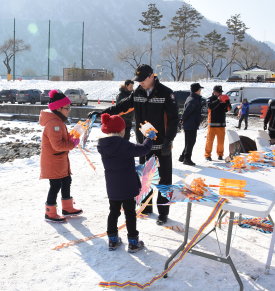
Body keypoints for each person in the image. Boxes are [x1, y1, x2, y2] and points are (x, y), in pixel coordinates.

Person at [88, 64, 179, 225]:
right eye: (138, 80)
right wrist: (102, 113)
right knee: (145, 178)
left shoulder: (166, 93)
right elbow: (121, 106)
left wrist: (169, 140)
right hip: (144, 145)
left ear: (152, 76)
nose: (140, 83)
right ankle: (146, 207)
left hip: (162, 146)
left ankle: (163, 213)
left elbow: (173, 120)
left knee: (164, 181)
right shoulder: (137, 92)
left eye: (143, 80)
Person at [97, 113, 154, 252]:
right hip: (127, 186)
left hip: (113, 186)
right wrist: (149, 138)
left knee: (113, 212)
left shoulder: (103, 145)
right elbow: (143, 150)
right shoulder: (123, 144)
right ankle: (133, 243)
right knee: (130, 213)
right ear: (121, 131)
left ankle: (112, 240)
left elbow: (117, 161)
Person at [39, 89, 83, 223]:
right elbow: (57, 145)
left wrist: (70, 137)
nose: (69, 110)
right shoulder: (54, 123)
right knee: (55, 185)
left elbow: (60, 140)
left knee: (66, 181)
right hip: (54, 161)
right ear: (58, 108)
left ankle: (67, 208)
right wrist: (72, 143)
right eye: (67, 108)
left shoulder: (58, 121)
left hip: (60, 160)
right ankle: (50, 213)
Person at [205, 85, 231, 161]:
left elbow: (228, 109)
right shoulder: (209, 99)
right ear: (214, 92)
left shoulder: (223, 99)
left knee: (221, 142)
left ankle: (220, 154)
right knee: (209, 141)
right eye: (218, 92)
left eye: (221, 92)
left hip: (221, 124)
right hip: (212, 124)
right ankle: (207, 155)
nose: (220, 94)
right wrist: (218, 100)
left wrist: (228, 103)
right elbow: (210, 107)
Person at [179, 83, 203, 166]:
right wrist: (182, 119)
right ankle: (187, 159)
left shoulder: (192, 98)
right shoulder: (193, 100)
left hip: (191, 124)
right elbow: (187, 111)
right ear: (196, 90)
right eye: (199, 89)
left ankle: (182, 157)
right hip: (190, 124)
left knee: (188, 142)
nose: (200, 91)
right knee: (191, 142)